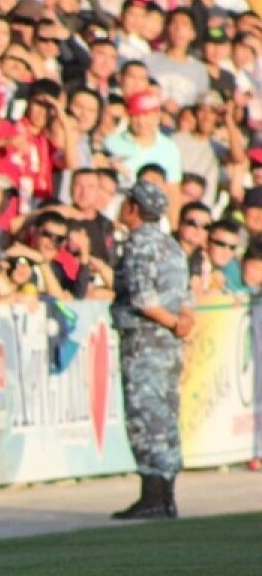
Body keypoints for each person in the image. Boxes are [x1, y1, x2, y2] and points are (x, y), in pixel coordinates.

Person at [110, 180, 194, 520]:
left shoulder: (139, 244)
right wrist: (183, 321)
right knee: (165, 414)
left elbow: (144, 300)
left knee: (145, 417)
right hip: (170, 345)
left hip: (146, 341)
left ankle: (153, 497)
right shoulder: (170, 244)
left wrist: (173, 322)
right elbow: (186, 295)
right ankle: (167, 497)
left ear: (133, 207)